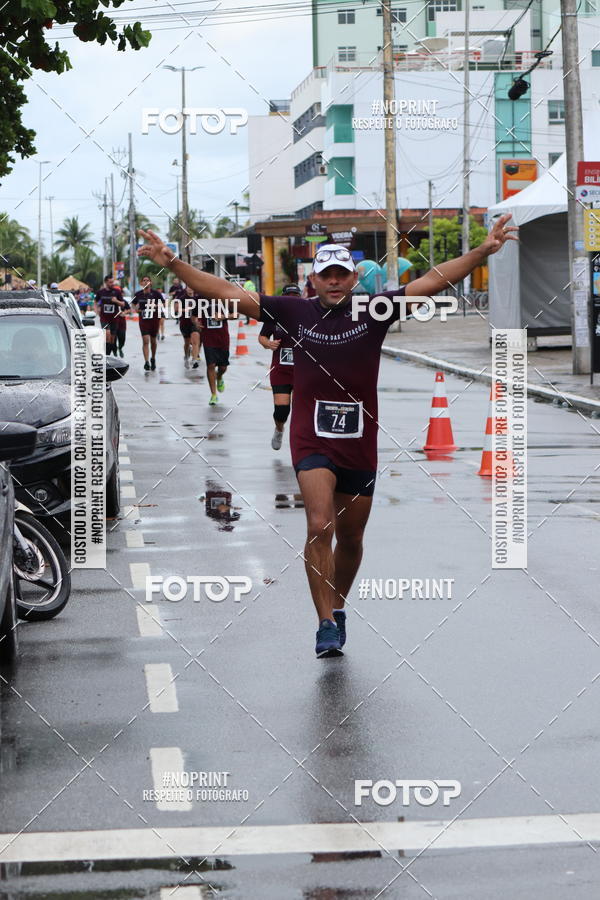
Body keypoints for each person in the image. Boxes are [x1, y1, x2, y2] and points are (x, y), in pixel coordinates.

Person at [138, 215, 518, 658]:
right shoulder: (292, 311)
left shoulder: (374, 310)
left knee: (352, 538)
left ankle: (337, 609)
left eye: (342, 274)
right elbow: (224, 291)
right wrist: (174, 263)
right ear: (313, 278)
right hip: (311, 437)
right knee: (320, 524)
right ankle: (322, 625)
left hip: (359, 441)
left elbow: (432, 282)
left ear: (354, 278)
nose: (334, 282)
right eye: (326, 274)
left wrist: (482, 252)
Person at [258, 283, 302, 450]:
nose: (291, 302)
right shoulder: (274, 316)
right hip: (281, 369)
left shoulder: (307, 315)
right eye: (288, 298)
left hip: (302, 370)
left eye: (295, 298)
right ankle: (279, 428)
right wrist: (269, 344)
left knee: (301, 411)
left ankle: (299, 442)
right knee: (282, 410)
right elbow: (262, 337)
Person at [198, 300, 230, 405]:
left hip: (222, 339)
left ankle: (219, 376)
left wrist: (223, 317)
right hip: (208, 339)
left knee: (223, 367)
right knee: (210, 365)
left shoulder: (224, 299)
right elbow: (193, 315)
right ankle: (213, 395)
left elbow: (236, 314)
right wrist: (196, 322)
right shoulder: (200, 299)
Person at [132, 275, 164, 371]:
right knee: (145, 340)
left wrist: (156, 306)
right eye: (144, 280)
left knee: (153, 341)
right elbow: (133, 304)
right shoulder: (138, 294)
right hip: (143, 320)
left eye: (148, 280)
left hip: (154, 319)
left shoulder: (156, 294)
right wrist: (136, 309)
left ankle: (153, 358)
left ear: (151, 283)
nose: (146, 282)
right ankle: (146, 362)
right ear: (141, 283)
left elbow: (163, 303)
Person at [95, 274, 127, 355]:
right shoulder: (101, 292)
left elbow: (123, 304)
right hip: (104, 318)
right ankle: (106, 356)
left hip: (114, 318)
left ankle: (109, 354)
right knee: (107, 335)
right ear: (105, 282)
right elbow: (95, 301)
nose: (112, 284)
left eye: (112, 282)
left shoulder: (117, 292)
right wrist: (97, 310)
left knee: (112, 339)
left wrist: (116, 301)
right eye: (110, 282)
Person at [175, 285, 202, 369]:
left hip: (194, 323)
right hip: (184, 323)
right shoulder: (182, 298)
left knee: (195, 341)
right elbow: (177, 310)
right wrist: (187, 309)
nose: (190, 289)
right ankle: (186, 355)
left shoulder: (197, 298)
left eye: (192, 287)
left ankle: (194, 360)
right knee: (187, 343)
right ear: (186, 289)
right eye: (188, 287)